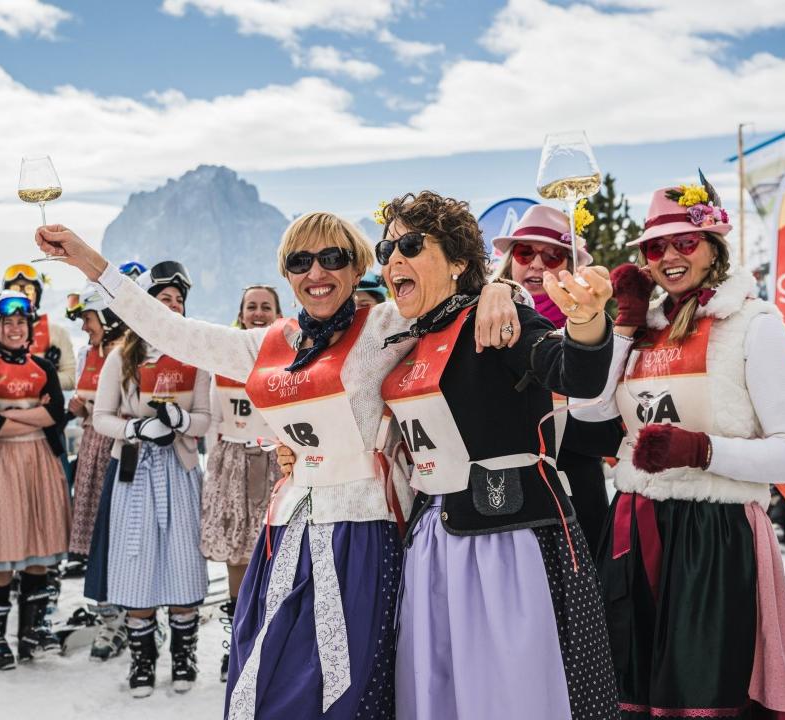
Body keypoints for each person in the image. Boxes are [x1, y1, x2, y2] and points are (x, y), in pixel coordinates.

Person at [33, 215, 519, 719]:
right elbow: (170, 331)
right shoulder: (265, 344)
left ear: (357, 269)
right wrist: (90, 263)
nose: (317, 272)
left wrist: (500, 290)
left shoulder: (385, 326)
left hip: (365, 534)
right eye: (300, 261)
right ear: (287, 275)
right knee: (267, 678)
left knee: (350, 686)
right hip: (287, 534)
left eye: (333, 258)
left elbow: (453, 303)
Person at [278, 192, 620, 719]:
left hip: (507, 545)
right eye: (387, 247)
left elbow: (575, 374)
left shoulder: (497, 322)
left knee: (508, 694)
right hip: (431, 540)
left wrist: (586, 324)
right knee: (439, 692)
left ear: (459, 261)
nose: (393, 259)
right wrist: (296, 449)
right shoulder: (405, 339)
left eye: (411, 245)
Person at [573, 180, 785, 718]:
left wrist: (703, 451)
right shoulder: (644, 328)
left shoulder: (754, 324)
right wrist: (623, 325)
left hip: (714, 538)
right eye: (656, 247)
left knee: (703, 692)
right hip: (634, 526)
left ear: (714, 244)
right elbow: (587, 411)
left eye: (686, 241)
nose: (670, 257)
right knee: (629, 689)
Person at [85, 262, 212, 698]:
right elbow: (100, 417)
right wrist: (134, 429)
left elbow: (205, 420)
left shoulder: (195, 354)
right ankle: (142, 659)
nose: (171, 306)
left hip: (178, 467)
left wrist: (180, 419)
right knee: (135, 561)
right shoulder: (122, 354)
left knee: (182, 559)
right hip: (135, 468)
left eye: (177, 300)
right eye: (163, 299)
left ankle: (183, 653)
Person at [493, 204, 622, 550]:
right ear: (510, 261)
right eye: (525, 252)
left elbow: (610, 436)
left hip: (578, 503)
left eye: (552, 257)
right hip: (504, 511)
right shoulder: (486, 327)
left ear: (568, 268)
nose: (536, 263)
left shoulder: (592, 331)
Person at [0, 290, 71, 670]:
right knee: (3, 558)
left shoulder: (43, 367)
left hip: (40, 462)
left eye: (21, 322)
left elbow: (57, 415)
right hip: (1, 465)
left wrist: (10, 415)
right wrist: (34, 415)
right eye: (6, 322)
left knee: (39, 555)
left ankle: (33, 630)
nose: (14, 328)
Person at [203, 285, 284, 682]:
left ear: (277, 312)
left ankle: (268, 637)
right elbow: (212, 416)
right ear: (241, 311)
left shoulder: (288, 354)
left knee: (273, 550)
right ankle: (236, 638)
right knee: (238, 551)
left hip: (276, 460)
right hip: (233, 456)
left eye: (265, 307)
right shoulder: (224, 356)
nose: (258, 312)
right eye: (251, 306)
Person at [64, 287, 132, 660]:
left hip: (117, 449)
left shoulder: (126, 355)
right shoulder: (90, 353)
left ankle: (124, 613)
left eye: (89, 319)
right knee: (95, 534)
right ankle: (108, 610)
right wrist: (78, 407)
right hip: (93, 446)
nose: (85, 327)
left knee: (116, 532)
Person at [0, 264, 78, 390]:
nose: (22, 294)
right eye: (15, 289)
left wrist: (46, 374)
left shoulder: (57, 333)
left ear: (37, 295)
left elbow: (72, 379)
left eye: (28, 289)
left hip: (46, 408)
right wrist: (44, 375)